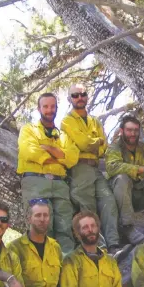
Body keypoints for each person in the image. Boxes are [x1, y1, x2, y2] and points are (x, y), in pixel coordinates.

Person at [60, 83, 122, 254]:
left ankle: (114, 244)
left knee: (109, 202)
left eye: (82, 94)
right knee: (87, 207)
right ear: (70, 99)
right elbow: (83, 143)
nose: (79, 98)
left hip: (96, 168)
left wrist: (95, 144)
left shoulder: (94, 121)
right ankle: (99, 248)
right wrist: (96, 142)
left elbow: (104, 148)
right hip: (80, 168)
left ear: (87, 96)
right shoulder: (67, 121)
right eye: (75, 95)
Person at [17, 92, 79, 253]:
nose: (49, 110)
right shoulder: (28, 130)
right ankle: (44, 270)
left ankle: (67, 267)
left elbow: (73, 157)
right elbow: (29, 152)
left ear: (57, 108)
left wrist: (49, 149)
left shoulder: (63, 136)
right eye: (45, 106)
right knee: (42, 228)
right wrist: (59, 157)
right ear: (38, 108)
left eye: (53, 106)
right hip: (36, 182)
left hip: (60, 184)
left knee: (65, 228)